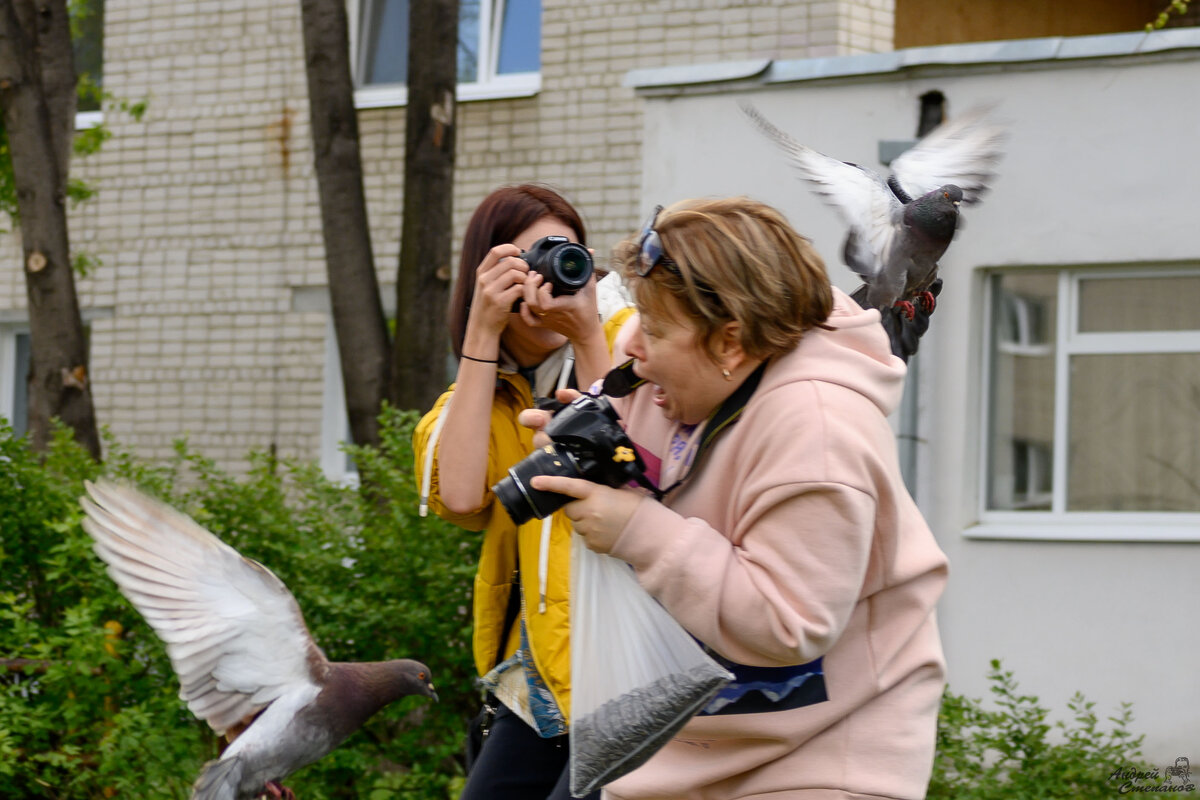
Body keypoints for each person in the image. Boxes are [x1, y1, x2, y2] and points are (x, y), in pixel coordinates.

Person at [523, 197, 949, 799]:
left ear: (730, 343)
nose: (634, 343)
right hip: (676, 746)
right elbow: (655, 477)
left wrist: (639, 531)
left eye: (660, 328)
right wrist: (594, 458)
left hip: (824, 755)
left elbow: (788, 622)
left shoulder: (820, 430)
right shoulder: (657, 373)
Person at [413, 184, 632, 800]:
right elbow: (460, 498)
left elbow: (627, 463)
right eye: (532, 258)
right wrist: (482, 334)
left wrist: (588, 336)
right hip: (537, 676)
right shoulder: (483, 397)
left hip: (623, 664)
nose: (554, 275)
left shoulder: (627, 338)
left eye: (570, 254)